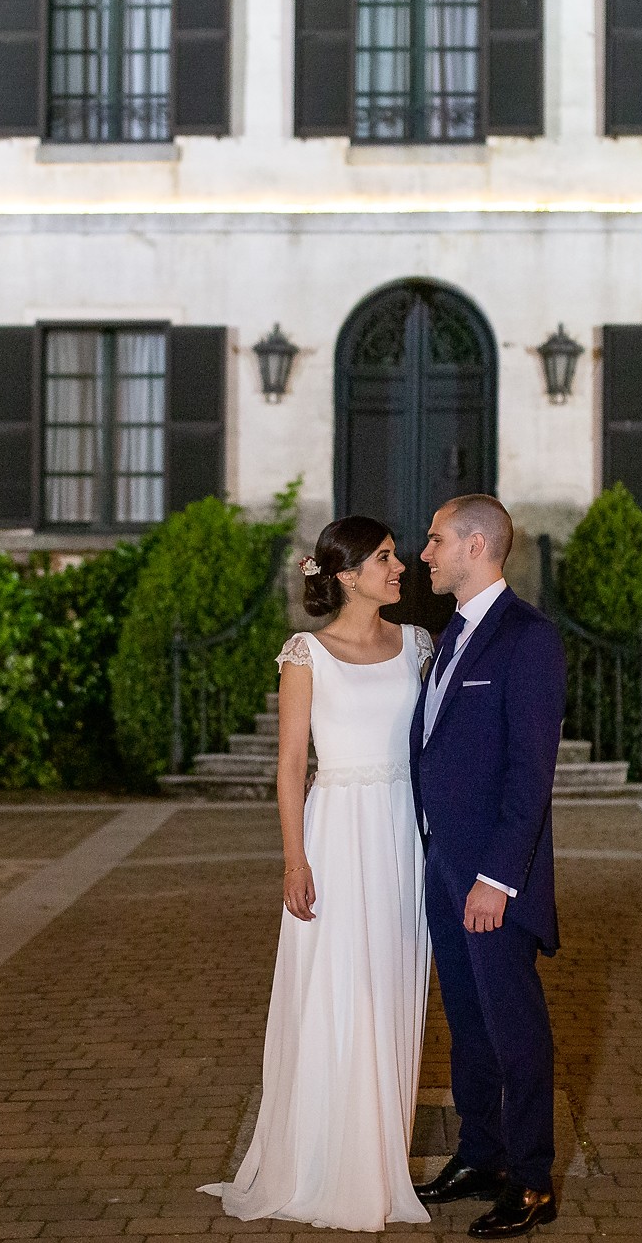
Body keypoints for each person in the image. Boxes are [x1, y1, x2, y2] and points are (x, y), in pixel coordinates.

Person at [201, 516, 436, 1232]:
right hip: (335, 831)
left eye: (398, 556)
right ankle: (322, 1163)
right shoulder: (307, 652)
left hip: (402, 831)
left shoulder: (418, 644)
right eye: (388, 558)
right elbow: (291, 764)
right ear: (346, 574)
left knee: (390, 985)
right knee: (338, 990)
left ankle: (380, 1157)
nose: (401, 568)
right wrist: (294, 858)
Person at [411, 494, 566, 1239]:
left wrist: (498, 879)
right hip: (445, 865)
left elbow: (529, 774)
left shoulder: (528, 638)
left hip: (494, 880)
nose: (425, 553)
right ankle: (481, 1154)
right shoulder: (450, 634)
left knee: (514, 1026)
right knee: (468, 1022)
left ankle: (533, 1179)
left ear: (476, 544)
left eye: (436, 540)